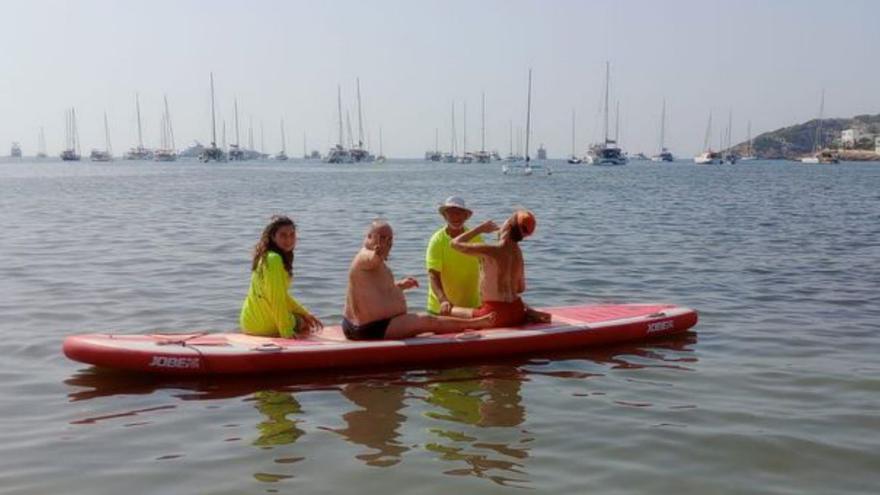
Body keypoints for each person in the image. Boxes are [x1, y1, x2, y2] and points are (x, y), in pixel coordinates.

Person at [342, 220, 496, 340]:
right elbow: (369, 259)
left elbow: (375, 290)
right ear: (368, 237)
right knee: (427, 321)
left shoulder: (373, 263)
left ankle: (472, 322)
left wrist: (400, 286)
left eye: (389, 239)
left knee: (426, 320)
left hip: (354, 326)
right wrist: (376, 253)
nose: (387, 243)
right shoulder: (364, 256)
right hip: (373, 328)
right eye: (381, 238)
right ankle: (477, 323)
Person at [449, 209, 551, 327]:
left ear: (507, 226)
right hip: (517, 311)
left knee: (448, 311)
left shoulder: (491, 250)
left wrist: (479, 229)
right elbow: (520, 288)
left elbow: (454, 243)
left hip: (494, 314)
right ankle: (529, 313)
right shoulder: (518, 253)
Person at [240, 215, 323, 339]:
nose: (288, 239)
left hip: (248, 323)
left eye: (292, 235)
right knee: (304, 323)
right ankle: (283, 330)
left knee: (302, 318)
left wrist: (305, 313)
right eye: (283, 235)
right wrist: (287, 333)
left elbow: (281, 295)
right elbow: (277, 299)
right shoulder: (274, 259)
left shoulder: (265, 256)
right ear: (273, 237)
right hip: (265, 325)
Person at [426, 196, 483, 316]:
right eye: (451, 213)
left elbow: (486, 267)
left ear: (466, 216)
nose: (455, 217)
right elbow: (433, 275)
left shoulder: (476, 238)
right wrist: (443, 300)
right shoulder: (437, 241)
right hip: (442, 308)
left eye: (459, 213)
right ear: (444, 216)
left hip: (471, 305)